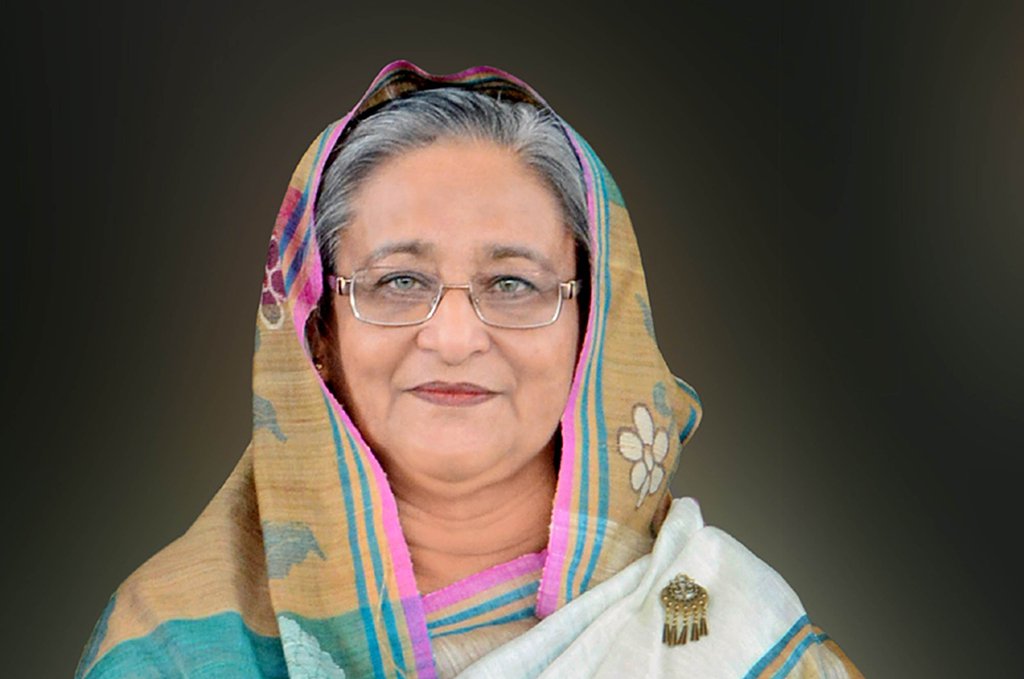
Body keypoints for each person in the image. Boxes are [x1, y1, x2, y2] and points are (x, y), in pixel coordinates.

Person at [75, 60, 863, 678]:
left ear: (594, 327)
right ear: (318, 332)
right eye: (398, 280)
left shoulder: (722, 633)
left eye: (512, 284)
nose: (453, 338)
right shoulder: (175, 647)